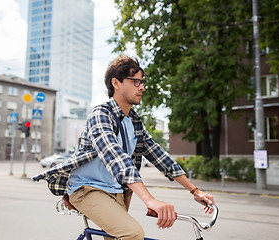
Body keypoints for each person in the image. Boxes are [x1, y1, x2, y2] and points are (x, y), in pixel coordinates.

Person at [32, 55, 215, 240]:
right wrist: (150, 200)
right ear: (116, 83)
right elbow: (116, 158)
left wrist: (195, 191)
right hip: (88, 189)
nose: (142, 87)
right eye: (135, 81)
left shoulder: (134, 121)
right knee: (132, 234)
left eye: (142, 82)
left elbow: (159, 156)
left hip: (118, 192)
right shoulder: (100, 115)